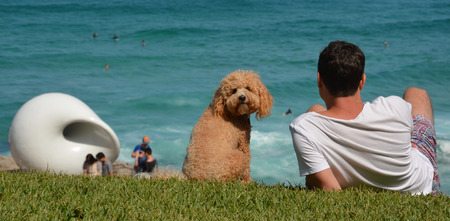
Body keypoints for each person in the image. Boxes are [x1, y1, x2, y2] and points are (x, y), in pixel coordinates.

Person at [289, 41, 439, 195]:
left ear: (319, 79)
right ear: (362, 81)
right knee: (416, 93)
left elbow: (329, 192)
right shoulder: (396, 106)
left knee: (315, 110)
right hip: (422, 186)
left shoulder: (304, 128)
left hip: (339, 166)